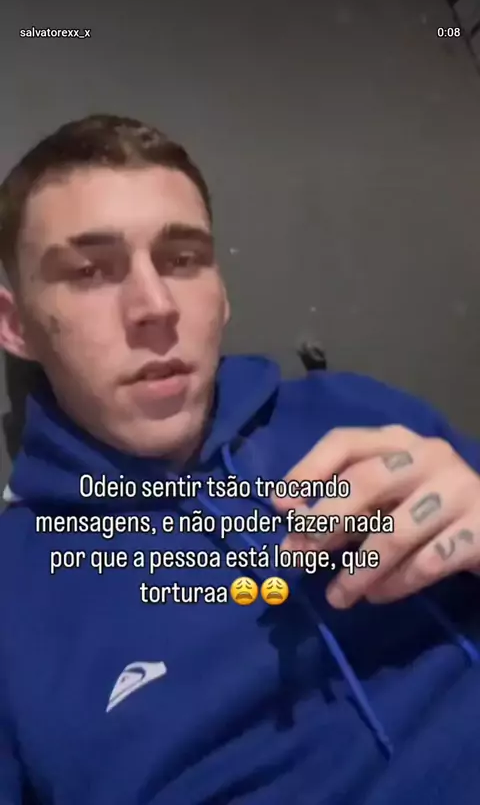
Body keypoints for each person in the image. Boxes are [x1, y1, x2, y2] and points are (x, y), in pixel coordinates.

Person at [0, 114, 479, 805]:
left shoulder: (363, 414)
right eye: (90, 271)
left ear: (220, 294)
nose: (155, 306)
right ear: (16, 325)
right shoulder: (15, 600)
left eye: (182, 259)